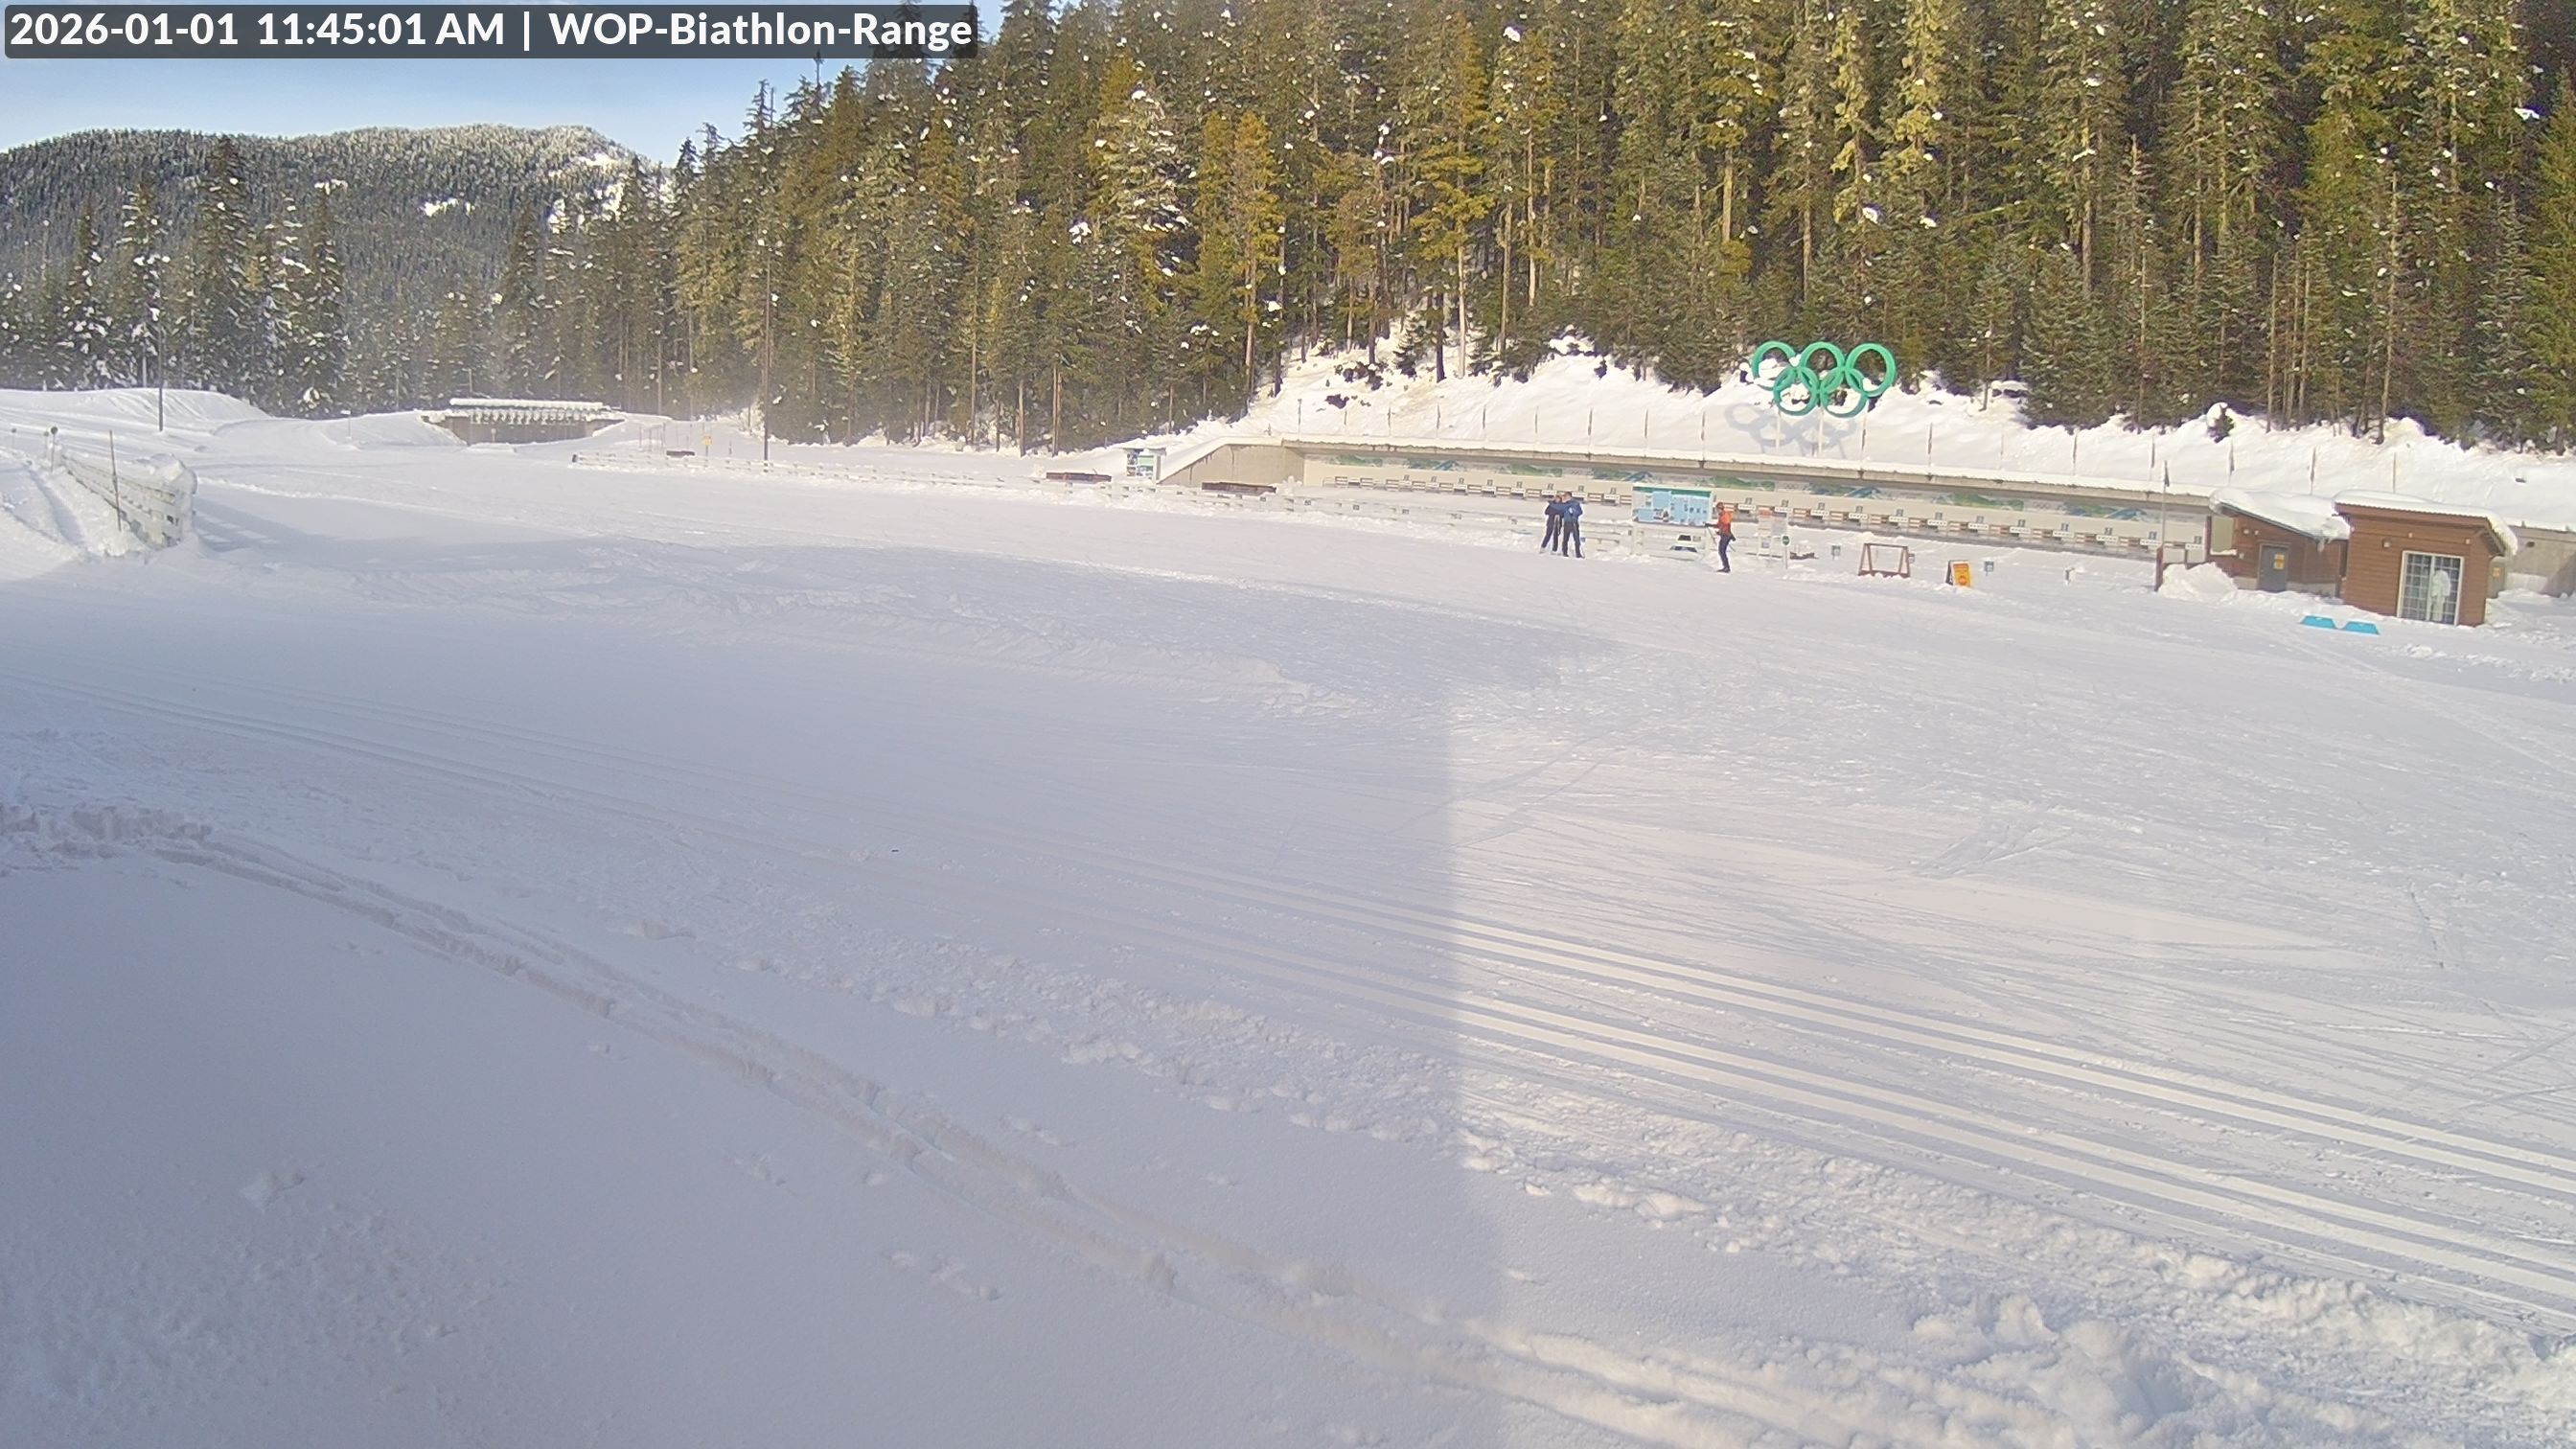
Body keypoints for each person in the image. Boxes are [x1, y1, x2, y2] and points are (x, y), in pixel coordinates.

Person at [1556, 493, 1584, 557]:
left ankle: (1578, 553)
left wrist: (1574, 512)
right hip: (1567, 522)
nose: (1565, 498)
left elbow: (1580, 512)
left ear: (1570, 497)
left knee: (1576, 539)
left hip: (1574, 522)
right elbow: (1559, 510)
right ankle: (1564, 552)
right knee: (1565, 538)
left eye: (1566, 496)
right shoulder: (1564, 505)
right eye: (1564, 497)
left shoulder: (1575, 503)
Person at [1715, 501, 1736, 572]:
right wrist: (1709, 525)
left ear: (1721, 509)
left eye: (1718, 509)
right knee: (1721, 551)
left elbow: (1726, 526)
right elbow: (1719, 525)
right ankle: (1725, 566)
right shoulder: (1721, 515)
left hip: (1726, 535)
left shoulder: (1725, 515)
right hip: (1724, 535)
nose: (1717, 511)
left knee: (1722, 551)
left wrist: (1721, 532)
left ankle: (1726, 567)